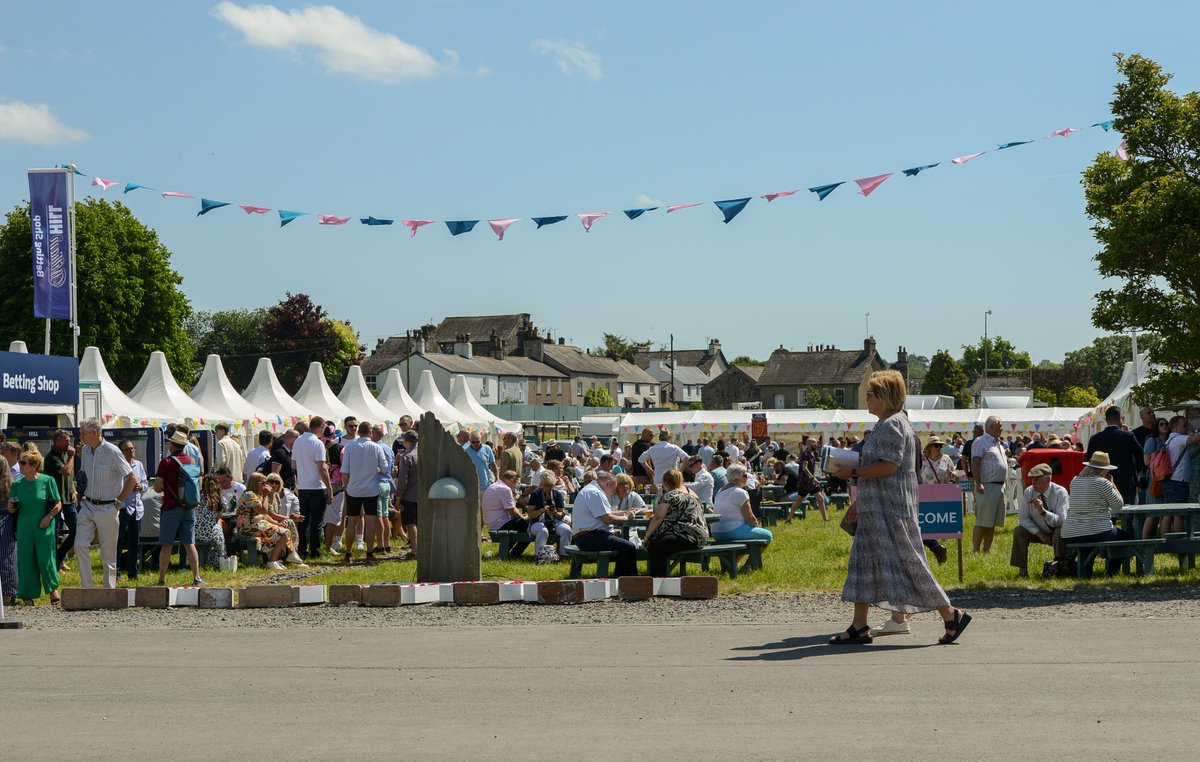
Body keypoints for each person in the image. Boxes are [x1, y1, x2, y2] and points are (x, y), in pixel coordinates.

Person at [825, 370, 971, 646]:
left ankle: (951, 614)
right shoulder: (886, 423)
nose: (866, 398)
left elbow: (889, 466)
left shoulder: (893, 425)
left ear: (883, 396)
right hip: (876, 507)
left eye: (870, 394)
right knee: (863, 564)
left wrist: (853, 471)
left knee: (910, 564)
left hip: (890, 510)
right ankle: (859, 626)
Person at [77, 418, 137, 589]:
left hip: (108, 507)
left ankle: (109, 591)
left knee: (108, 553)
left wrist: (117, 503)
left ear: (94, 432)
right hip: (87, 504)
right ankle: (87, 588)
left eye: (83, 433)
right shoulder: (86, 451)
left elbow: (131, 478)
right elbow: (83, 476)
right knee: (80, 544)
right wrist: (80, 495)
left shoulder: (113, 451)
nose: (80, 436)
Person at [1061, 452, 1129, 575]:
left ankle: (1086, 571)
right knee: (1125, 538)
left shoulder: (1075, 481)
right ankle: (1112, 570)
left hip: (1070, 531)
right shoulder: (1103, 482)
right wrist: (1113, 484)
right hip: (1097, 530)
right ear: (1104, 470)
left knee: (1087, 541)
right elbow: (1118, 505)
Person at [10, 449, 62, 605]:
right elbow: (12, 507)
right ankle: (28, 596)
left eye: (23, 463)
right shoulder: (17, 483)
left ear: (34, 466)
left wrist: (49, 517)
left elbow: (58, 504)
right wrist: (11, 508)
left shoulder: (48, 480)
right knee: (25, 559)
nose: (20, 465)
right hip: (24, 524)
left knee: (46, 558)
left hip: (44, 525)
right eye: (20, 462)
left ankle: (53, 591)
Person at [155, 431, 204, 587]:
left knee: (167, 545)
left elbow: (157, 487)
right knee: (189, 543)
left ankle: (162, 578)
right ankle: (196, 576)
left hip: (171, 507)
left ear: (172, 444)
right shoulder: (193, 460)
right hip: (189, 506)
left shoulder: (166, 462)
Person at [570, 472, 639, 577]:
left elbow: (605, 512)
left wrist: (625, 512)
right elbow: (608, 518)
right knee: (628, 547)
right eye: (613, 488)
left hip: (585, 536)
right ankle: (626, 580)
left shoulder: (591, 490)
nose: (613, 492)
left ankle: (620, 577)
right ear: (607, 483)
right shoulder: (596, 493)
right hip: (590, 537)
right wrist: (626, 517)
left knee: (624, 545)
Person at [643, 469, 709, 577]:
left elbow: (658, 517)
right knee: (662, 543)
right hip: (700, 536)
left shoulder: (670, 495)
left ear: (665, 482)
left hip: (684, 535)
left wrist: (646, 537)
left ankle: (658, 579)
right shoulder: (692, 493)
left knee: (655, 546)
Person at [1009, 463, 1069, 577]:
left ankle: (1061, 567)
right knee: (1019, 531)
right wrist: (1039, 533)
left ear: (1048, 479)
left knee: (1060, 531)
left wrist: (1043, 512)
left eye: (1037, 480)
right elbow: (1023, 518)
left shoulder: (1060, 492)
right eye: (1032, 479)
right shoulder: (1029, 492)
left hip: (1056, 531)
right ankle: (1022, 571)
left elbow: (1062, 521)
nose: (1033, 483)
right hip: (1039, 530)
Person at [341, 421, 386, 562]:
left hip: (354, 488)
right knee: (370, 521)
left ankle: (348, 553)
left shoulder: (349, 447)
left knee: (352, 521)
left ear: (358, 431)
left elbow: (344, 471)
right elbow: (385, 468)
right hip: (371, 489)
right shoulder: (376, 447)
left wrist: (346, 485)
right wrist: (376, 469)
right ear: (370, 433)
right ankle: (370, 552)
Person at [710, 464, 773, 564]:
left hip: (716, 532)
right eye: (745, 475)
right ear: (738, 477)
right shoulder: (740, 492)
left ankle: (732, 563)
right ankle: (748, 565)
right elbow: (750, 518)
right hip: (731, 531)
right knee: (767, 535)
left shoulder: (719, 491)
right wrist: (757, 526)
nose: (747, 478)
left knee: (750, 535)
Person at [292, 417, 332, 560]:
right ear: (321, 427)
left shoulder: (298, 441)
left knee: (304, 521)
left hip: (303, 486)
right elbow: (322, 468)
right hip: (316, 486)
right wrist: (329, 488)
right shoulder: (317, 443)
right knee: (317, 522)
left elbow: (293, 465)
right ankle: (315, 550)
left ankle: (302, 549)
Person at [1085, 406, 1143, 506]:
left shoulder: (1095, 438)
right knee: (1128, 516)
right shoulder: (1128, 436)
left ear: (1106, 420)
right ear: (1119, 418)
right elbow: (1140, 455)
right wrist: (1134, 470)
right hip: (1126, 481)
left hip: (1102, 480)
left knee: (1107, 514)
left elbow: (1088, 460)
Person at [970, 416, 1008, 553]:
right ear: (991, 427)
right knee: (982, 521)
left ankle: (986, 550)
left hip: (999, 486)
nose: (1002, 429)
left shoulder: (998, 443)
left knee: (991, 522)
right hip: (987, 485)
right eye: (1000, 426)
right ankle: (975, 550)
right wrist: (979, 483)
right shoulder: (981, 441)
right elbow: (975, 463)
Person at [43, 429, 77, 572]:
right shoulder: (51, 457)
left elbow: (70, 476)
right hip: (54, 502)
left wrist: (74, 490)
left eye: (69, 440)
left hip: (69, 500)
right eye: (65, 440)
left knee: (77, 531)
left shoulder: (67, 455)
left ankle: (59, 557)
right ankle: (53, 565)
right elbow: (65, 471)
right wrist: (71, 457)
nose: (68, 443)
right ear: (56, 441)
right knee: (55, 535)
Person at [915, 436, 953, 564]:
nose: (938, 448)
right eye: (935, 445)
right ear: (929, 447)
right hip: (925, 495)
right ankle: (935, 546)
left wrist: (954, 475)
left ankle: (936, 545)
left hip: (942, 494)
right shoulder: (922, 459)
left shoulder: (946, 459)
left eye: (940, 445)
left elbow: (953, 473)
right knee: (924, 522)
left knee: (939, 520)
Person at [482, 470, 534, 557]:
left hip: (493, 523)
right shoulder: (505, 489)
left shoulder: (494, 485)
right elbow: (512, 512)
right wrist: (524, 518)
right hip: (499, 524)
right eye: (516, 482)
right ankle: (516, 553)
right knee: (529, 525)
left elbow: (512, 510)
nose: (516, 485)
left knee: (519, 524)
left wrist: (521, 516)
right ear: (512, 480)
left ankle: (506, 551)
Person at [116, 440, 148, 581]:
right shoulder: (118, 466)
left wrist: (140, 486)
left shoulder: (139, 465)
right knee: (117, 543)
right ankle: (115, 574)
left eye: (132, 448)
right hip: (122, 508)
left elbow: (146, 484)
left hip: (136, 508)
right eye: (127, 449)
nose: (131, 451)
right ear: (121, 452)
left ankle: (133, 573)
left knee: (134, 543)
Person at [1162, 416, 1200, 532]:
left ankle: (1166, 541)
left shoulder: (1170, 440)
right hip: (1178, 482)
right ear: (1175, 427)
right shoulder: (1178, 438)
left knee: (1168, 513)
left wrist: (1198, 449)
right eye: (1184, 425)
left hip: (1172, 481)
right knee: (1179, 514)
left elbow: (1188, 457)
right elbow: (1195, 438)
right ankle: (1178, 542)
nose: (1186, 427)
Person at [525, 471, 573, 560]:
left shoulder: (557, 494)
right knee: (543, 531)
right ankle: (539, 555)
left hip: (555, 521)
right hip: (537, 521)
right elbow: (530, 514)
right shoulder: (536, 494)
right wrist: (542, 510)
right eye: (546, 485)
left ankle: (563, 555)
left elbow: (561, 514)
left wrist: (555, 513)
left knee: (566, 530)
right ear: (542, 484)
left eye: (550, 485)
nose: (548, 488)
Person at [393, 431, 420, 558]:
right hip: (423, 494)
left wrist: (398, 497)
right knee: (421, 523)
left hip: (409, 495)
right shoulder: (423, 454)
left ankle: (415, 550)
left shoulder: (407, 456)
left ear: (406, 441)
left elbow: (403, 480)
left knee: (411, 523)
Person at [196, 474, 229, 570]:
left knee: (215, 528)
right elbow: (218, 518)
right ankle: (219, 561)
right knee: (218, 528)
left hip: (196, 533)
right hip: (210, 533)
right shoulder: (218, 499)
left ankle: (203, 561)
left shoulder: (198, 497)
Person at [1131, 407, 1157, 504]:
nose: (1152, 414)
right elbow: (1133, 454)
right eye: (1148, 413)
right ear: (1141, 417)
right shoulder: (1135, 433)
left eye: (1153, 412)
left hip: (1160, 472)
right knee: (1143, 502)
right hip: (1142, 473)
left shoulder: (1160, 431)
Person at [0, 456, 16, 605]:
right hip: (6, 519)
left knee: (7, 556)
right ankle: (8, 594)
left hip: (5, 516)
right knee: (7, 556)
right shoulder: (12, 486)